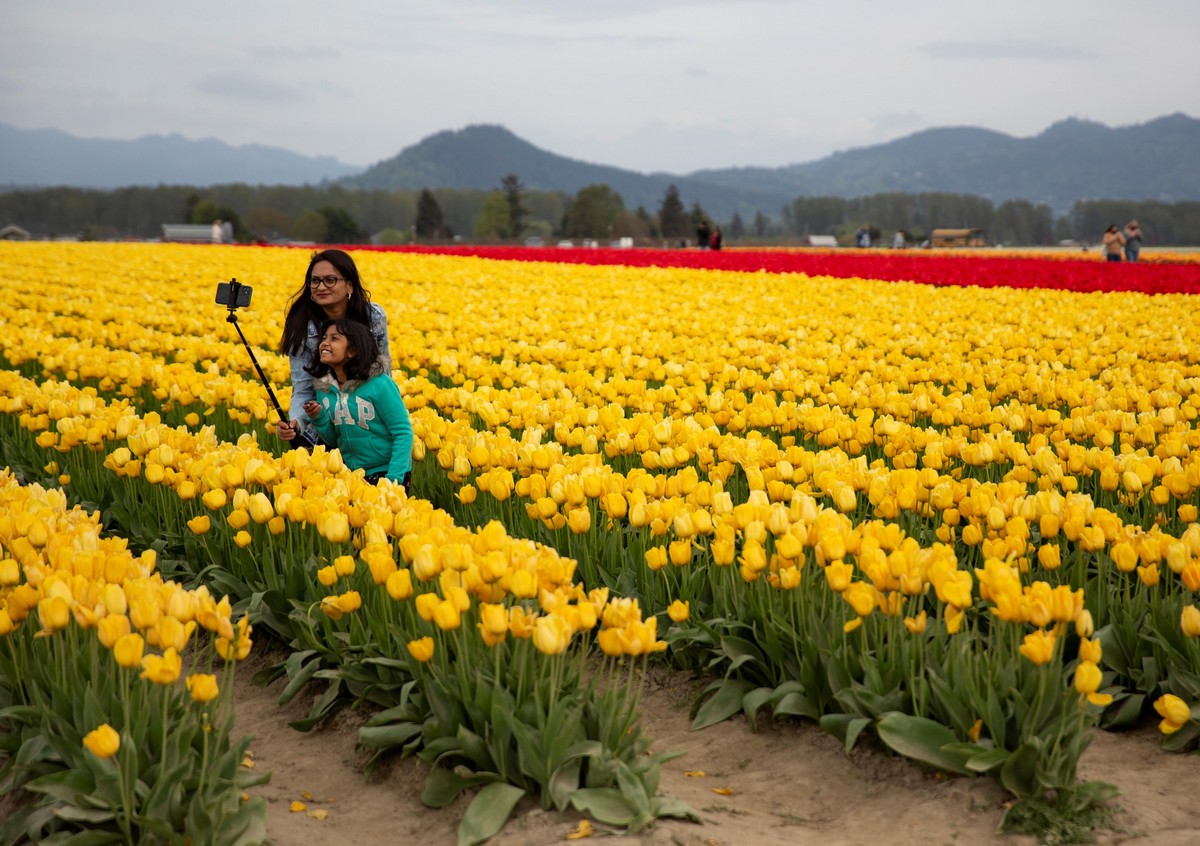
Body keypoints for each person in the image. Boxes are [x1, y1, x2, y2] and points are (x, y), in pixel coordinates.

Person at [277, 249, 391, 447]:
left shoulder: (373, 317)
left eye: (330, 280)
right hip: (324, 424)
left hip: (368, 420)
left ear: (349, 285)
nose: (321, 287)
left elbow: (384, 373)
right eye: (315, 281)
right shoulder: (303, 327)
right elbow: (303, 390)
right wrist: (296, 423)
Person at [302, 319, 412, 488]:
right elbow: (333, 439)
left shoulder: (379, 384)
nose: (324, 343)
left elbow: (403, 432)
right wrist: (320, 418)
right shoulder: (324, 390)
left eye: (334, 339)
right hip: (350, 474)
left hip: (386, 471)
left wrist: (394, 479)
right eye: (324, 338)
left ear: (352, 350)